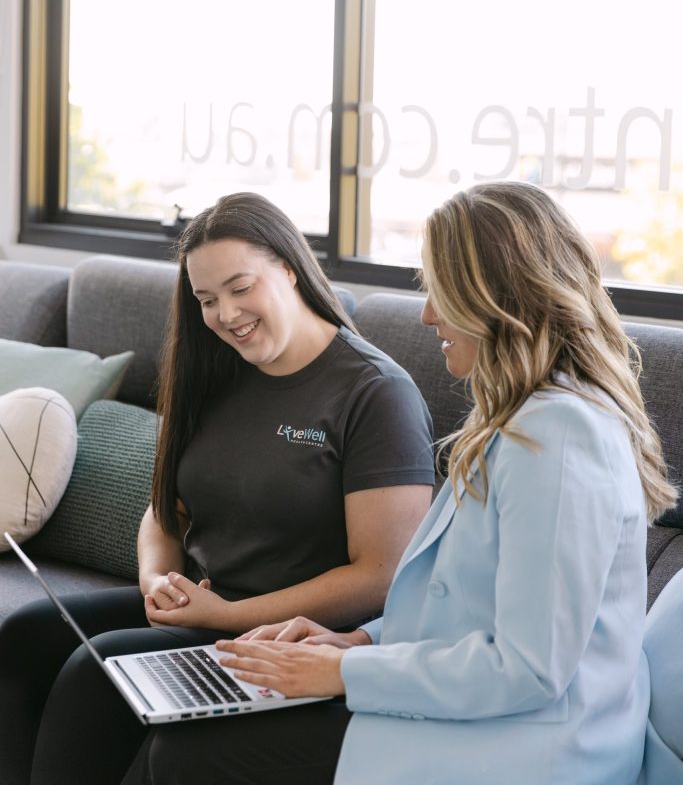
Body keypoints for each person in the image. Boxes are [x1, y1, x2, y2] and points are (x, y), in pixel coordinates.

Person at [123, 180, 677, 785]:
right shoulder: (523, 418)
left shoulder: (561, 437)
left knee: (191, 754)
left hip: (535, 746)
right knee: (163, 728)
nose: (427, 314)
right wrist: (358, 641)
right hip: (473, 709)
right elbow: (464, 610)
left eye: (440, 292)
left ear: (494, 296)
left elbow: (529, 669)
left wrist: (343, 674)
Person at [0, 192, 435, 785]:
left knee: (92, 673)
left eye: (239, 287)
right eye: (207, 299)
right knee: (23, 636)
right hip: (207, 606)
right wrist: (156, 578)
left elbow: (383, 573)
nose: (226, 315)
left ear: (288, 266)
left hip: (282, 632)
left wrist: (230, 614)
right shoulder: (215, 369)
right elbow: (165, 507)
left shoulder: (376, 392)